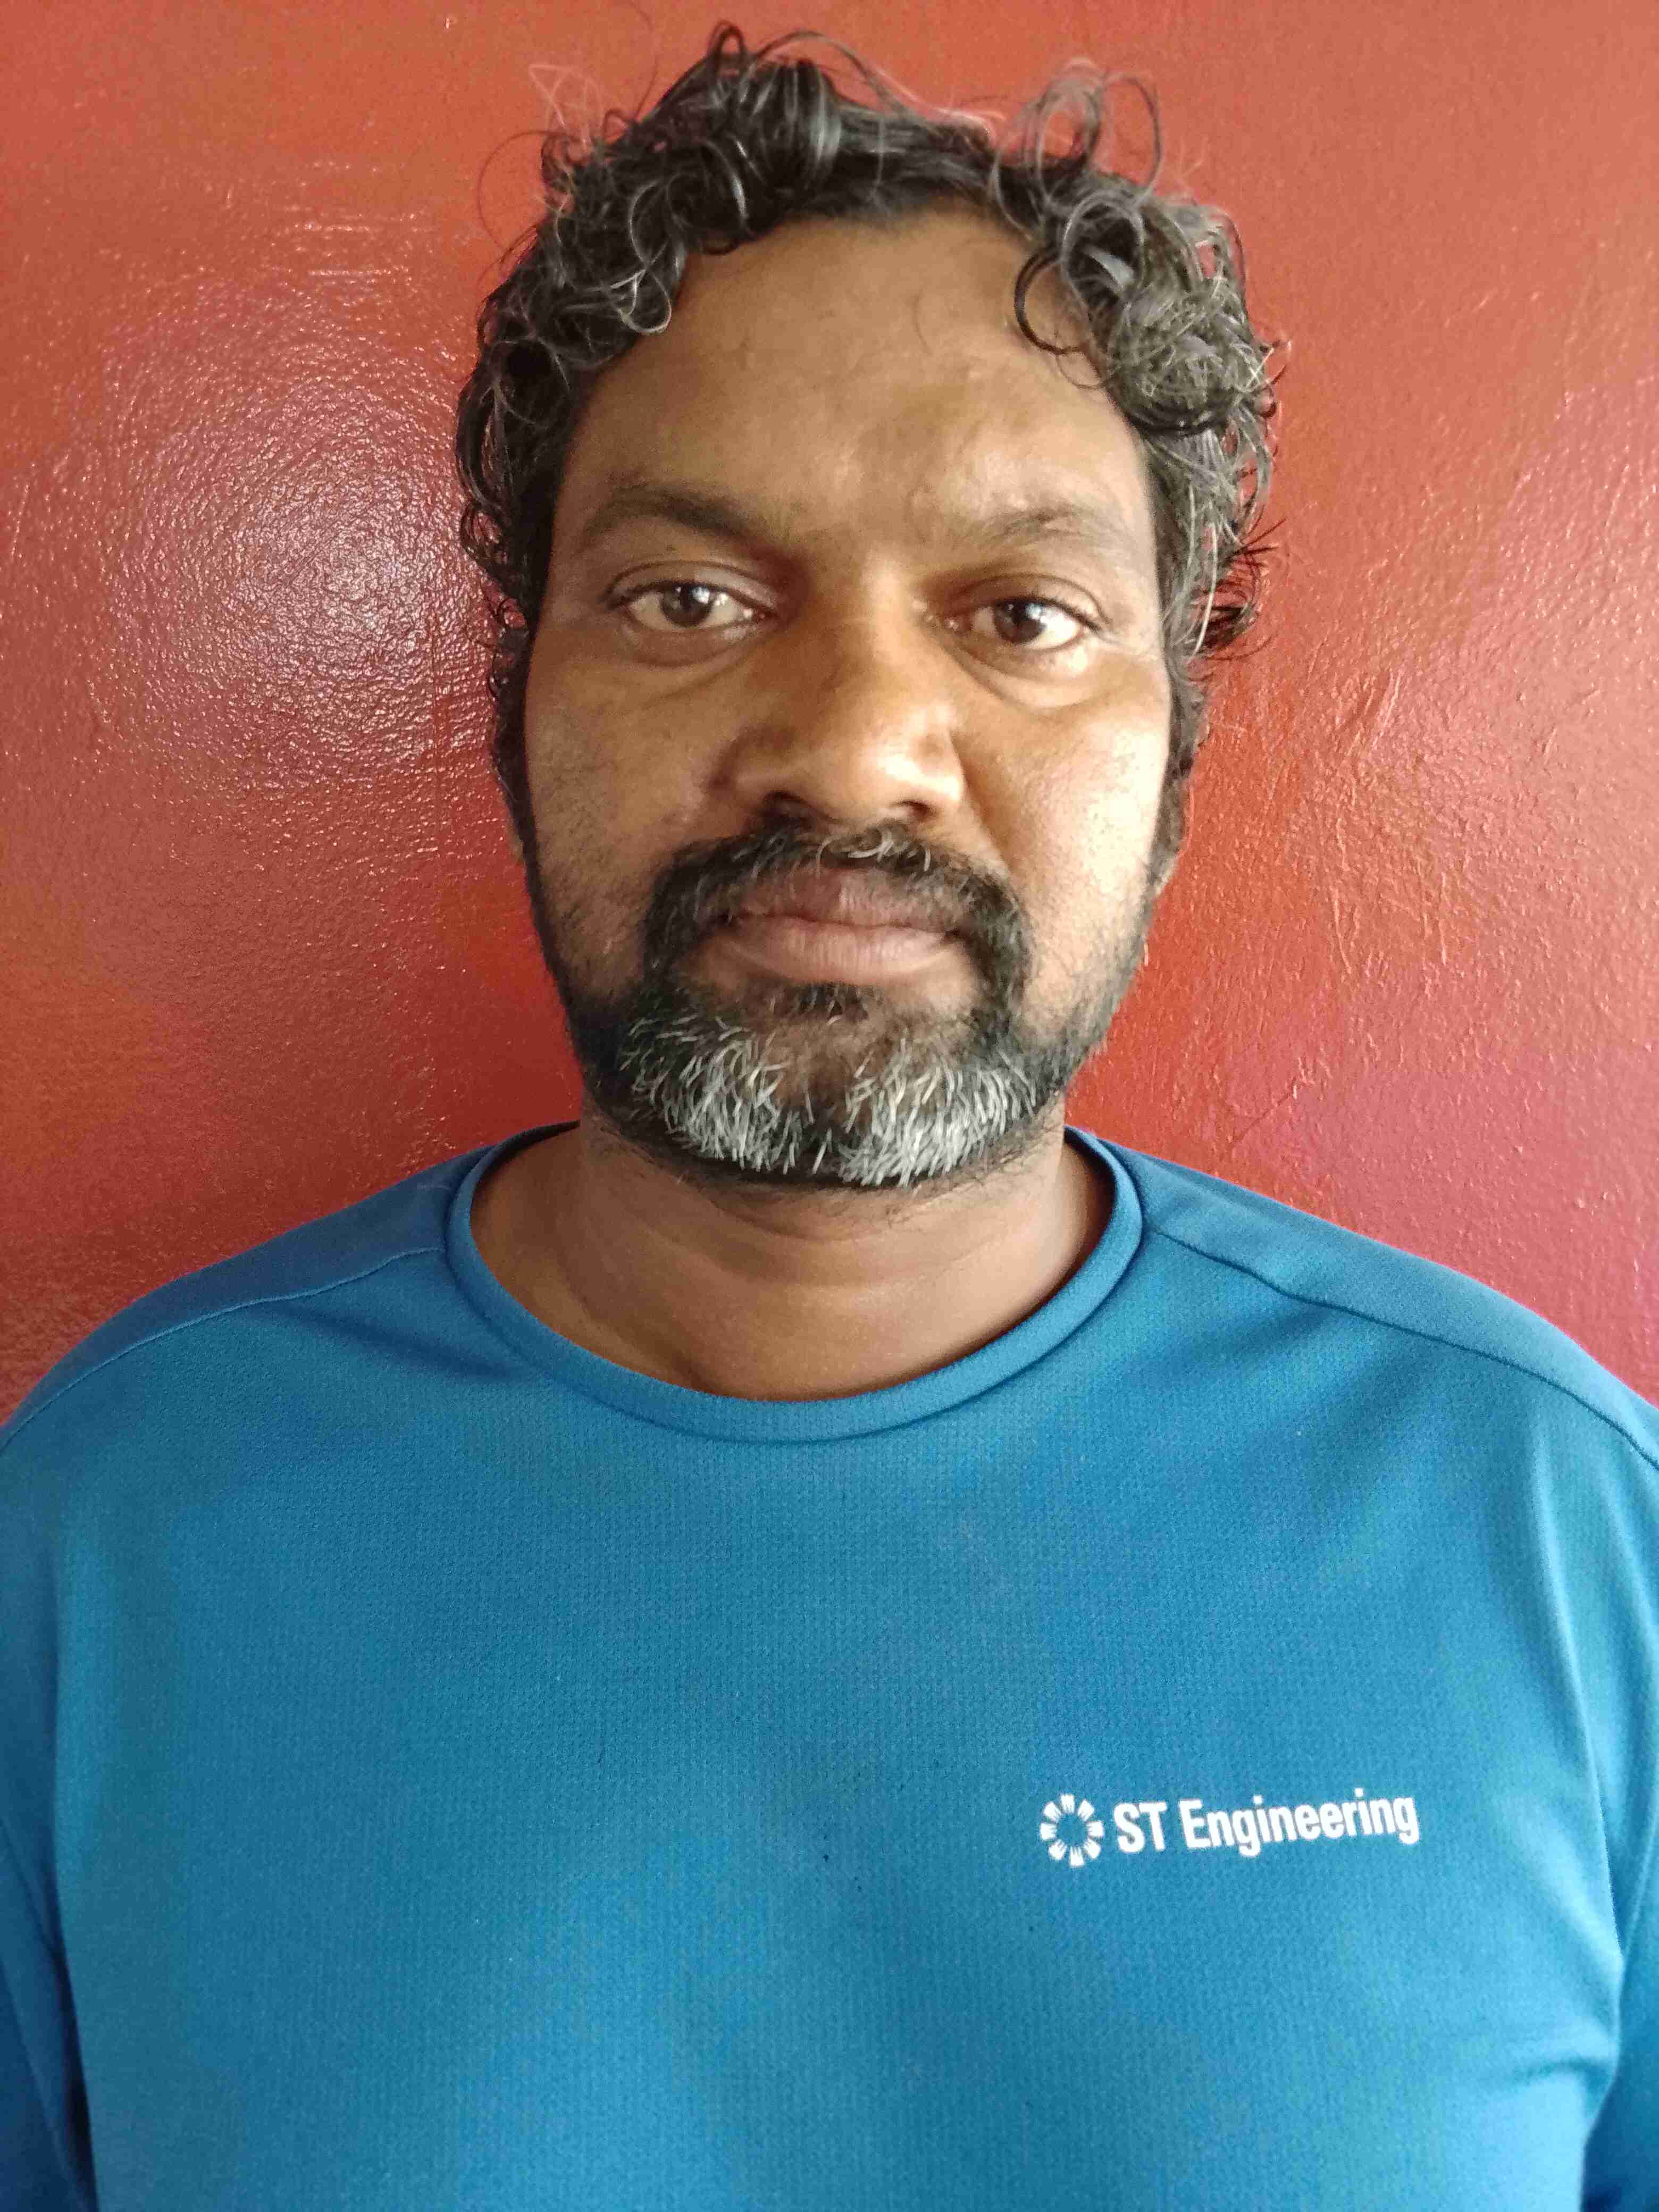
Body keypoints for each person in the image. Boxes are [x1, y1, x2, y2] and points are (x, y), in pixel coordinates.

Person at [3, 21, 1655, 2208]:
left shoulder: (1558, 1530)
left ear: (1176, 762)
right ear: (515, 710)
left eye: (1024, 616)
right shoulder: (102, 1535)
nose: (857, 744)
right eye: (691, 598)